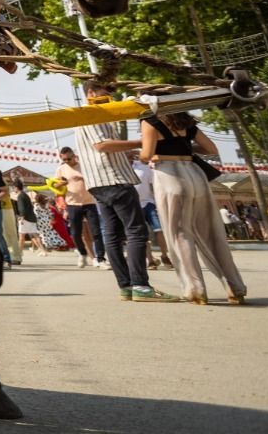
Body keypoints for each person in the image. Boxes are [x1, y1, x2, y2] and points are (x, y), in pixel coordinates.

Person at [74, 77, 180, 302]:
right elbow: (102, 146)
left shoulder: (87, 115)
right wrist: (141, 142)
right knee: (136, 232)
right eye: (106, 92)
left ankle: (127, 287)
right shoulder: (92, 114)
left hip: (98, 183)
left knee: (112, 236)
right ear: (92, 93)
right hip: (114, 180)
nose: (110, 97)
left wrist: (126, 151)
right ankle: (141, 286)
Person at [140, 111, 247, 304]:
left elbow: (146, 155)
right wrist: (185, 147)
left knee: (180, 234)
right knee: (212, 233)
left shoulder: (149, 121)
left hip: (168, 174)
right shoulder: (184, 120)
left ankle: (195, 290)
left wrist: (142, 150)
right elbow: (211, 148)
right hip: (195, 174)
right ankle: (235, 287)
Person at [51, 148, 103, 268]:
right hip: (73, 204)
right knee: (75, 233)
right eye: (64, 159)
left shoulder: (84, 166)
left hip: (89, 202)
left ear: (74, 156)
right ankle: (82, 253)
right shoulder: (61, 169)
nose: (67, 161)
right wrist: (61, 184)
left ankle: (100, 259)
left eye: (69, 158)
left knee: (96, 232)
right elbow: (55, 187)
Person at [133, 157, 173, 269]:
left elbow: (153, 185)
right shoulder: (120, 168)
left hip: (148, 203)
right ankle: (150, 260)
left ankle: (165, 255)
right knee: (142, 234)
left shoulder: (143, 167)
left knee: (159, 229)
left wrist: (159, 201)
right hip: (133, 206)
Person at [9, 176, 47, 257]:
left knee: (21, 236)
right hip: (31, 217)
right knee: (34, 235)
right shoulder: (25, 195)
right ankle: (42, 250)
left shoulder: (20, 196)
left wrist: (21, 217)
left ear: (16, 187)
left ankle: (19, 253)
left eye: (13, 188)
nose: (13, 189)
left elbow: (21, 208)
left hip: (25, 218)